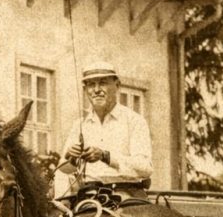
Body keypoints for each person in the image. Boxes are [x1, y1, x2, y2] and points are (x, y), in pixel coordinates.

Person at [55, 61, 153, 197]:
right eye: (90, 84)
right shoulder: (79, 125)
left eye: (102, 83)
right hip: (88, 196)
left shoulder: (134, 121)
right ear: (85, 90)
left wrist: (105, 156)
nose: (96, 90)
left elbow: (145, 168)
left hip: (126, 194)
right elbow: (62, 170)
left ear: (117, 86)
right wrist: (71, 158)